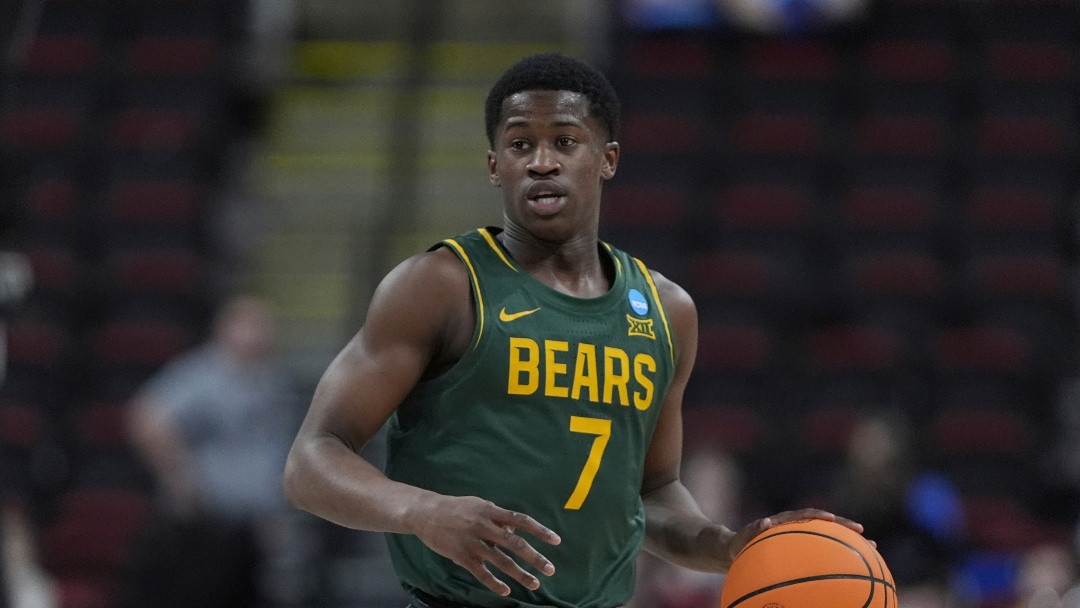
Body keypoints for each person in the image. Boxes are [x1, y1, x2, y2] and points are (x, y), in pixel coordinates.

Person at [283, 52, 864, 608]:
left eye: (564, 141)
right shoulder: (441, 286)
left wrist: (724, 546)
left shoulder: (666, 310)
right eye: (519, 144)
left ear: (607, 158)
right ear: (494, 166)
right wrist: (421, 511)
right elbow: (311, 461)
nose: (541, 161)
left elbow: (653, 493)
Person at [119, 295, 299, 608]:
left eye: (263, 326)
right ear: (225, 328)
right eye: (249, 325)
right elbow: (147, 417)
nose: (258, 334)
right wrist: (180, 477)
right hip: (208, 529)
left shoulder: (271, 380)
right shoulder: (203, 374)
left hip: (254, 529)